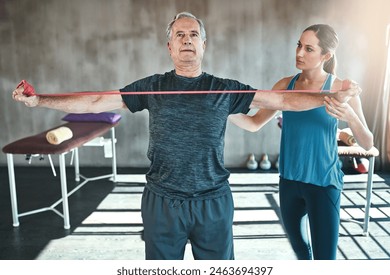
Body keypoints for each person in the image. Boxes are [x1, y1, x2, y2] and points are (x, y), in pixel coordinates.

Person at [12, 13, 360, 260]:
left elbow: (283, 100)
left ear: (204, 44)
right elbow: (96, 101)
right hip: (162, 202)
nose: (187, 40)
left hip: (213, 203)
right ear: (169, 47)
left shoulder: (224, 88)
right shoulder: (153, 86)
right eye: (179, 34)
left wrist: (332, 96)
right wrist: (39, 100)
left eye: (194, 34)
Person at [229, 24, 373, 260]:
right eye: (298, 45)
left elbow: (368, 142)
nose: (299, 53)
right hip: (289, 182)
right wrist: (221, 109)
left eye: (308, 49)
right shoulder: (285, 85)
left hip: (323, 183)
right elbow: (254, 124)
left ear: (325, 56)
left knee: (325, 260)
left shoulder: (340, 89)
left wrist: (351, 117)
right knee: (301, 253)